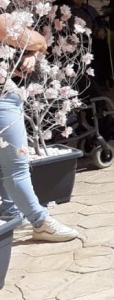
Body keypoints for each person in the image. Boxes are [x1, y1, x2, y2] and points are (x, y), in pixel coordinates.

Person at [0, 12, 79, 241]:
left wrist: (32, 54)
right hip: (3, 99)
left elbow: (35, 43)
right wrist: (34, 48)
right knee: (16, 166)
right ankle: (40, 221)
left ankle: (13, 212)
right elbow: (40, 40)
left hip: (7, 92)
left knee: (5, 164)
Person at [66, 0, 110, 81]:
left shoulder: (89, 8)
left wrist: (101, 29)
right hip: (79, 40)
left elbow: (100, 21)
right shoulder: (67, 10)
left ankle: (104, 78)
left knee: (103, 47)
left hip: (94, 37)